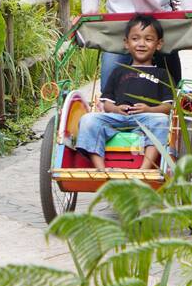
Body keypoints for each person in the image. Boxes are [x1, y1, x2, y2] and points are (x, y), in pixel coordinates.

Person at [74, 14, 174, 170]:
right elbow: (107, 104)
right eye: (135, 39)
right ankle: (100, 168)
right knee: (88, 120)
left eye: (148, 39)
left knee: (161, 121)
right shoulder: (118, 72)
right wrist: (116, 109)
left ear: (158, 44)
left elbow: (168, 107)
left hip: (147, 119)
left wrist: (149, 109)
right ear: (126, 43)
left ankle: (144, 169)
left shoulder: (162, 74)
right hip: (117, 118)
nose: (141, 44)